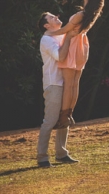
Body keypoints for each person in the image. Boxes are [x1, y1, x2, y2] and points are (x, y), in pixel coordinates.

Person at [47, 0, 105, 129]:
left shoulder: (81, 14)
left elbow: (65, 29)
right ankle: (68, 115)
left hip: (72, 46)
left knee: (68, 84)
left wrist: (48, 33)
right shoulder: (91, 15)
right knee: (74, 83)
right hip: (81, 47)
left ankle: (63, 118)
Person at [36, 12, 79, 167]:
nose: (56, 17)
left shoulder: (60, 36)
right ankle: (42, 157)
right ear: (46, 25)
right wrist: (68, 36)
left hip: (65, 83)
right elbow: (60, 57)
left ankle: (61, 153)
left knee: (64, 117)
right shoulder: (46, 39)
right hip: (53, 84)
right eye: (52, 18)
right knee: (50, 121)